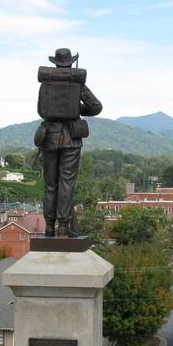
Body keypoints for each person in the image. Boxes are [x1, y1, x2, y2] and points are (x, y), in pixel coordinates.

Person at [37, 48, 102, 237]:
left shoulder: (46, 84)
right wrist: (78, 109)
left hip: (49, 137)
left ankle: (49, 227)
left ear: (56, 63)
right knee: (66, 183)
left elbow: (41, 110)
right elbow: (96, 107)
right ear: (71, 63)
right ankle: (64, 226)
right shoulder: (77, 85)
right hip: (71, 139)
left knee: (50, 184)